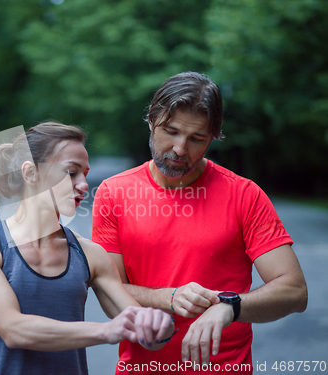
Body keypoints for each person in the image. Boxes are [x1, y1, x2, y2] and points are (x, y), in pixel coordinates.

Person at [92, 72, 308, 374]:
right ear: (151, 120)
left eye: (196, 138)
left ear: (213, 137)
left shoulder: (244, 194)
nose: (180, 148)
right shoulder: (114, 193)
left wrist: (229, 307)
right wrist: (168, 297)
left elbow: (295, 292)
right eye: (171, 131)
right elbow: (108, 288)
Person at [0, 122, 175, 375]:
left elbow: (144, 330)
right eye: (71, 173)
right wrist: (107, 330)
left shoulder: (90, 254)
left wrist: (160, 324)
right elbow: (14, 330)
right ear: (30, 173)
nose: (84, 184)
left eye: (85, 173)